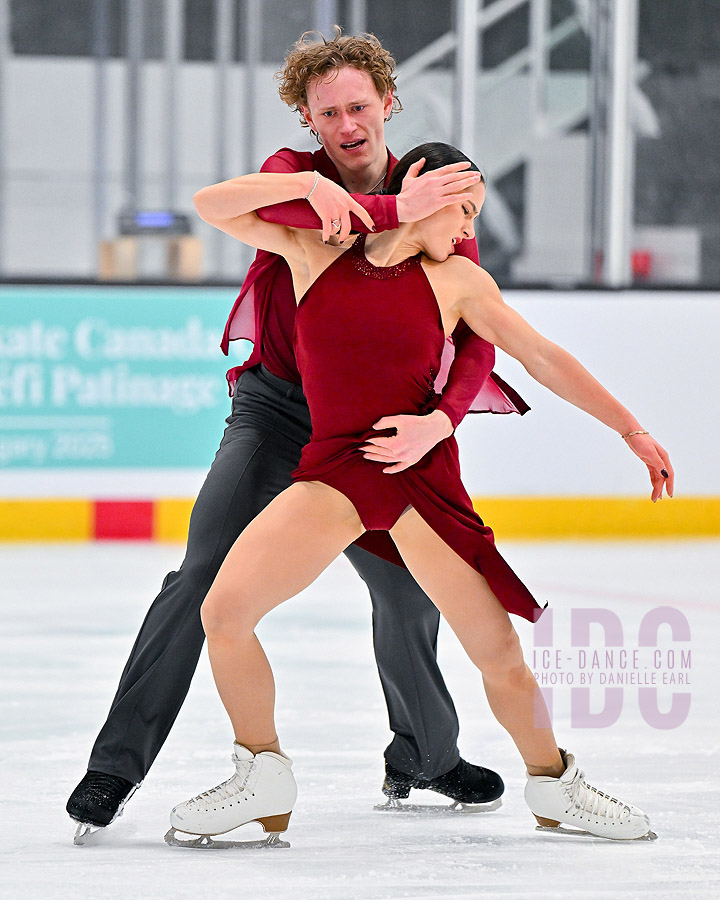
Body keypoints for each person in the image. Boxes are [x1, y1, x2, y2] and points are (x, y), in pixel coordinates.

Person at [66, 30, 524, 840]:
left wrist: (442, 419)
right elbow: (281, 217)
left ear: (388, 104)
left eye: (358, 106)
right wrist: (389, 211)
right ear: (309, 122)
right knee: (203, 574)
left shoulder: (432, 179)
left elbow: (476, 321)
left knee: (408, 590)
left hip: (373, 427)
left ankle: (423, 755)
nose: (346, 123)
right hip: (277, 412)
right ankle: (114, 767)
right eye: (328, 112)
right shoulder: (292, 175)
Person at [167, 141, 673, 846]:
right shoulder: (319, 250)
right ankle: (263, 777)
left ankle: (556, 783)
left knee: (497, 651)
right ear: (420, 190)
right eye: (461, 206)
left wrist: (631, 430)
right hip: (337, 470)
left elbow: (544, 357)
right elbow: (211, 205)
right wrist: (324, 192)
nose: (469, 226)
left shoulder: (458, 279)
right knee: (224, 610)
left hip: (417, 483)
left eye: (474, 213)